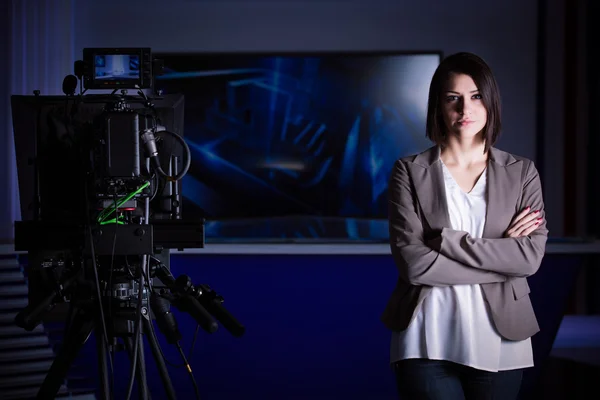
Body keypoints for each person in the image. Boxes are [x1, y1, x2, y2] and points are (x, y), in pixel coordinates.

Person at [381, 52, 548, 400]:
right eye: (452, 98)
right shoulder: (409, 172)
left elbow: (528, 260)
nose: (464, 109)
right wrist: (501, 258)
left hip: (503, 338)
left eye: (475, 96)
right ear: (438, 106)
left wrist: (449, 242)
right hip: (426, 336)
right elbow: (414, 265)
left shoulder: (522, 172)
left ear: (490, 102)